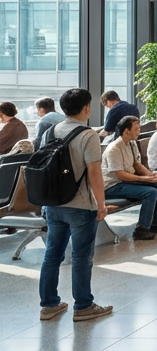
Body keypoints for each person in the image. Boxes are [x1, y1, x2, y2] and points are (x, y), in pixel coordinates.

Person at [37, 89, 112, 322]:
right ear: (87, 108)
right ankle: (84, 306)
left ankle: (49, 305)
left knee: (52, 254)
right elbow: (94, 172)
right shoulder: (88, 134)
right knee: (81, 257)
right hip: (80, 205)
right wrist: (101, 203)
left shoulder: (50, 131)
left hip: (53, 203)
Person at [102, 116, 157, 241]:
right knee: (151, 192)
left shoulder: (131, 143)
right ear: (126, 131)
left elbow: (136, 164)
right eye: (136, 129)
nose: (139, 131)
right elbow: (120, 174)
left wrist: (151, 176)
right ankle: (141, 229)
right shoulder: (114, 148)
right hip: (113, 186)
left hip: (126, 182)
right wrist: (145, 180)